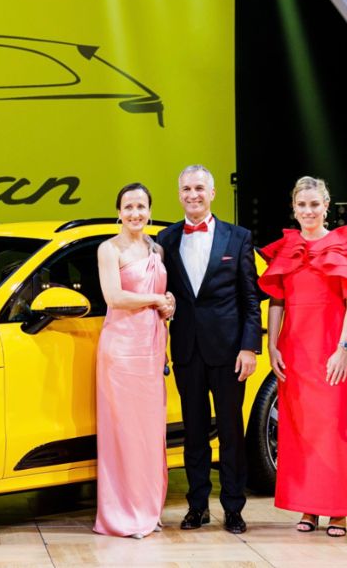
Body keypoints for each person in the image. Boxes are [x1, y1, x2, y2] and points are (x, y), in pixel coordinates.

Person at [258, 176, 347, 538]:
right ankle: (309, 507)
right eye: (302, 205)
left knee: (330, 431)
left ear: (326, 206)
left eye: (314, 205)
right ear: (294, 207)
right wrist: (272, 345)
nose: (308, 211)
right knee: (298, 431)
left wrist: (343, 348)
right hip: (293, 351)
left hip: (330, 351)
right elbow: (277, 301)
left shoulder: (346, 248)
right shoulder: (284, 249)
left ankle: (336, 511)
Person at [156, 164, 260, 534]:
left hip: (230, 351)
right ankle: (197, 506)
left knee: (232, 432)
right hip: (186, 350)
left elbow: (251, 300)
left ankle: (234, 507)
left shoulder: (238, 237)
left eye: (199, 188)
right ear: (180, 194)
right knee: (194, 432)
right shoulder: (166, 240)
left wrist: (250, 347)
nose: (192, 195)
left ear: (212, 193)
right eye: (186, 189)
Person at [93, 182, 174, 539]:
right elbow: (113, 296)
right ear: (118, 212)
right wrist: (157, 300)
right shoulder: (108, 249)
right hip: (122, 352)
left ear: (150, 211)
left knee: (149, 433)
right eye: (128, 207)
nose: (135, 213)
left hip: (152, 350)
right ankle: (123, 513)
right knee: (123, 433)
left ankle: (148, 508)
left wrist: (168, 301)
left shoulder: (156, 248)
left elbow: (161, 295)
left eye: (141, 206)